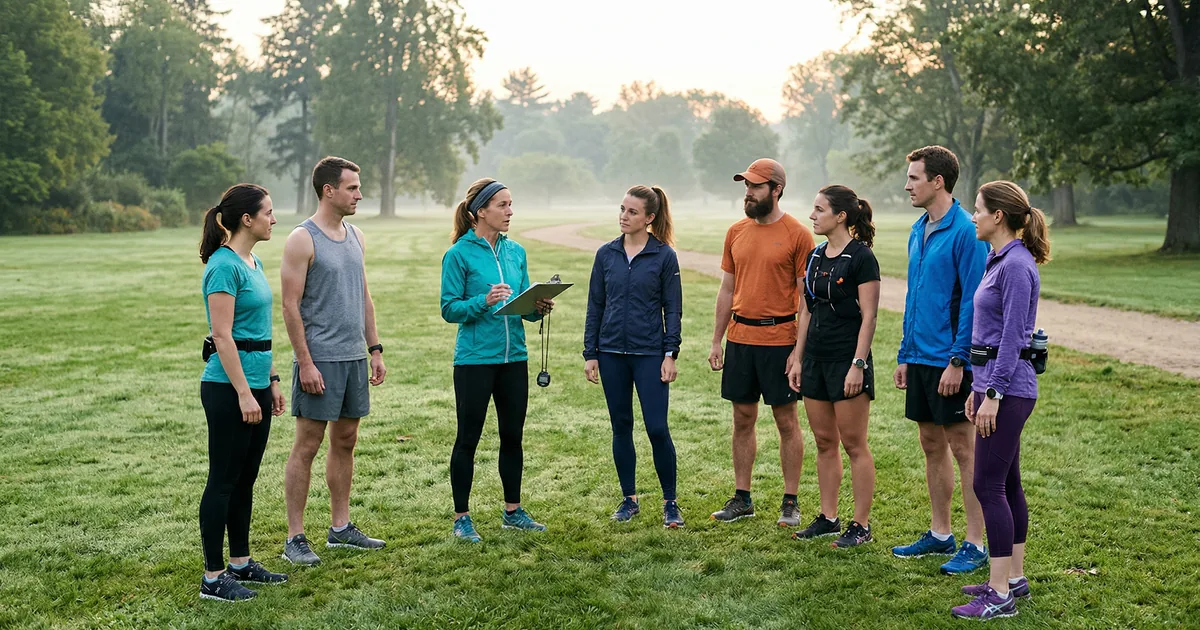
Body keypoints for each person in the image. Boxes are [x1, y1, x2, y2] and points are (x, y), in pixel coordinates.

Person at [280, 157, 387, 566]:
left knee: (346, 440)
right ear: (329, 190)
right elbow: (290, 307)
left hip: (353, 358)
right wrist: (305, 363)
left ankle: (340, 529)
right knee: (307, 445)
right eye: (353, 188)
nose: (359, 194)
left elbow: (363, 295)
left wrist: (374, 349)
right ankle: (295, 537)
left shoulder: (356, 235)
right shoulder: (301, 239)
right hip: (319, 359)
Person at [952, 180, 1050, 620]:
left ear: (998, 217)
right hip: (994, 386)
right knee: (1007, 483)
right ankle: (1012, 577)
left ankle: (999, 595)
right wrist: (978, 390)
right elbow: (987, 338)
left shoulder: (1015, 266)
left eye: (977, 209)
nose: (973, 216)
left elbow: (1012, 339)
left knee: (986, 485)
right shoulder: (999, 259)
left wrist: (992, 393)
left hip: (1008, 390)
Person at [890, 146, 991, 575]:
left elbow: (974, 300)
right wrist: (904, 354)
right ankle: (940, 533)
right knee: (931, 444)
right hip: (920, 357)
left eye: (914, 178)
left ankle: (975, 542)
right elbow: (916, 298)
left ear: (938, 182)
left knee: (963, 448)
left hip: (952, 360)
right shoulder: (919, 229)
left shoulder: (967, 231)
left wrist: (959, 360)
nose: (908, 184)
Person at [440, 178, 554, 543]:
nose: (509, 211)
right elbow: (449, 309)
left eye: (510, 204)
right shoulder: (458, 254)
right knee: (468, 439)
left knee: (513, 436)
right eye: (502, 205)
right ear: (480, 212)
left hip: (514, 358)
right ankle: (462, 518)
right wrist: (483, 301)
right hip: (474, 360)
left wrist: (537, 308)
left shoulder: (515, 252)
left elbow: (521, 306)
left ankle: (513, 511)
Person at [708, 158, 816, 527]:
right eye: (746, 187)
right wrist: (716, 341)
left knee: (786, 421)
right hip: (740, 338)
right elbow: (727, 289)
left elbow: (806, 302)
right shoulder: (736, 231)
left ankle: (790, 500)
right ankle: (742, 497)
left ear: (776, 190)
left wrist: (798, 353)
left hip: (780, 341)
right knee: (742, 418)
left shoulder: (799, 235)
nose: (748, 193)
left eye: (755, 187)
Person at [197, 184, 288, 602]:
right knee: (223, 480)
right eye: (268, 212)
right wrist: (243, 394)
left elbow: (259, 334)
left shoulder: (254, 261)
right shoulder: (223, 265)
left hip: (255, 385)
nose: (274, 219)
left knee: (245, 479)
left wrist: (269, 382)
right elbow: (223, 335)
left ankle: (240, 562)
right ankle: (213, 578)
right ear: (247, 219)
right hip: (226, 388)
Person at [583, 185, 685, 528]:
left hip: (649, 354)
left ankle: (670, 503)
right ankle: (629, 499)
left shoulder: (664, 256)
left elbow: (673, 309)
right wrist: (591, 353)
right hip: (611, 353)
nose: (624, 217)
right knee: (621, 426)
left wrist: (670, 353)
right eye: (623, 209)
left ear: (650, 218)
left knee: (657, 428)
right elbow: (595, 305)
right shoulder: (606, 254)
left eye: (633, 212)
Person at [787, 185, 880, 548]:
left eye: (819, 209)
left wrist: (858, 364)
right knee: (825, 442)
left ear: (840, 216)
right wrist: (798, 357)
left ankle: (861, 525)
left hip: (847, 360)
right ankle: (828, 518)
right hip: (815, 360)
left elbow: (869, 316)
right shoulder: (814, 256)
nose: (812, 215)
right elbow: (806, 309)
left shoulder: (861, 258)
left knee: (854, 444)